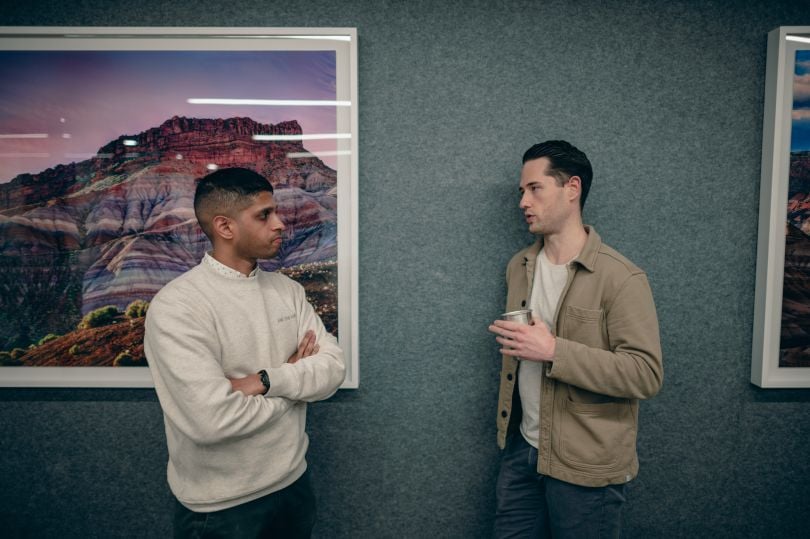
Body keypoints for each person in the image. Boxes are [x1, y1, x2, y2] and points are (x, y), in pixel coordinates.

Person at [144, 167, 346, 538]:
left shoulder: (288, 291)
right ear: (225, 227)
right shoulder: (178, 306)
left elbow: (333, 369)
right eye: (264, 215)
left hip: (292, 486)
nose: (280, 224)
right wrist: (293, 390)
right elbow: (212, 420)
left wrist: (265, 380)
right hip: (220, 509)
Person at [488, 141, 663, 538]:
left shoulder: (622, 277)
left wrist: (553, 350)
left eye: (535, 189)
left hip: (586, 466)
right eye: (521, 191)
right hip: (522, 450)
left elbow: (645, 374)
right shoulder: (520, 265)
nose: (523, 202)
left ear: (572, 188)